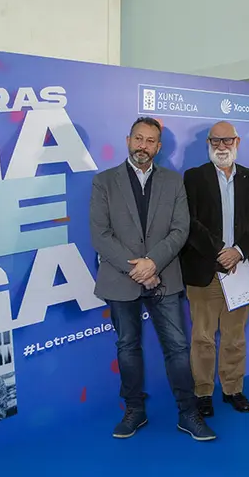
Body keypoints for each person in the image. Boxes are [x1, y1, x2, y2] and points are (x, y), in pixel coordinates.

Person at [90, 117, 215, 441]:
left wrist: (153, 263)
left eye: (150, 141)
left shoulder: (174, 182)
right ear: (128, 139)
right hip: (121, 279)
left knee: (176, 347)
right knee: (127, 347)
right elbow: (100, 235)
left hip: (164, 276)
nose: (142, 146)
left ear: (158, 147)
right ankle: (134, 411)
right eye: (138, 139)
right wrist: (138, 269)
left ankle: (188, 414)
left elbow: (180, 229)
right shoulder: (104, 182)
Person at [180, 121, 249, 416]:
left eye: (226, 140)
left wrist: (238, 252)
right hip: (204, 270)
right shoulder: (192, 178)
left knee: (234, 337)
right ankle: (203, 393)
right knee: (202, 337)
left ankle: (233, 389)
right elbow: (189, 222)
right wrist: (220, 251)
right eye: (215, 141)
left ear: (237, 142)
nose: (221, 146)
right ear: (208, 142)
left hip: (239, 270)